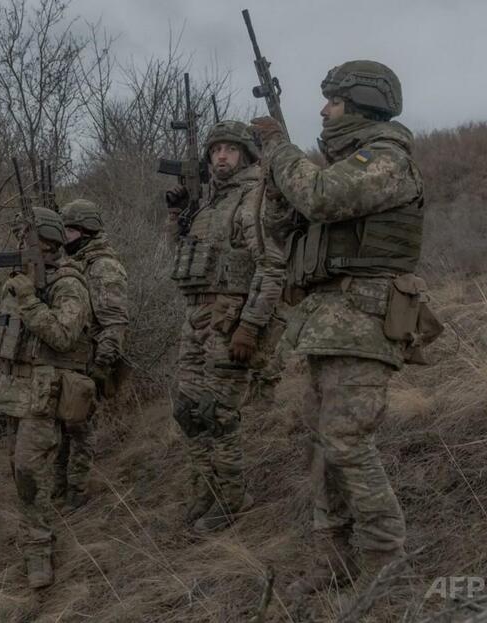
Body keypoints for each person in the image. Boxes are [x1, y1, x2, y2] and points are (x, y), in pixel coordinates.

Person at [250, 60, 439, 594]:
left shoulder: (386, 159)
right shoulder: (339, 166)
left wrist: (282, 150)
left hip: (363, 319)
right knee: (322, 443)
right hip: (326, 322)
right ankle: (332, 558)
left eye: (332, 102)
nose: (323, 110)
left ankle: (385, 560)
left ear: (358, 104)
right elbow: (282, 226)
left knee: (347, 440)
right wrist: (273, 171)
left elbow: (321, 198)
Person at [165, 120, 285, 533]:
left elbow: (271, 268)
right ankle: (205, 489)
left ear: (246, 156)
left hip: (228, 319)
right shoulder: (208, 204)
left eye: (230, 149)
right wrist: (177, 216)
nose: (221, 156)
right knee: (188, 411)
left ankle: (233, 497)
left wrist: (249, 326)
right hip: (194, 318)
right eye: (216, 149)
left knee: (218, 415)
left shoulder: (252, 200)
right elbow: (186, 261)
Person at [0, 207, 95, 589]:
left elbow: (63, 336)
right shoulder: (17, 282)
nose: (19, 245)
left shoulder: (68, 284)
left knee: (29, 470)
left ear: (48, 242)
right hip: (11, 392)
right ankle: (36, 536)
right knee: (20, 471)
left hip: (45, 395)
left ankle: (39, 549)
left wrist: (30, 299)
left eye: (27, 238)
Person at [55, 198, 130, 512]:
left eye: (69, 230)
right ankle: (60, 488)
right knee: (61, 427)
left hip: (89, 361)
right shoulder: (75, 262)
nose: (64, 237)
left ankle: (78, 493)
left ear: (85, 231)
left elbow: (114, 321)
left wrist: (101, 365)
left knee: (80, 428)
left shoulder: (103, 266)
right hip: (70, 358)